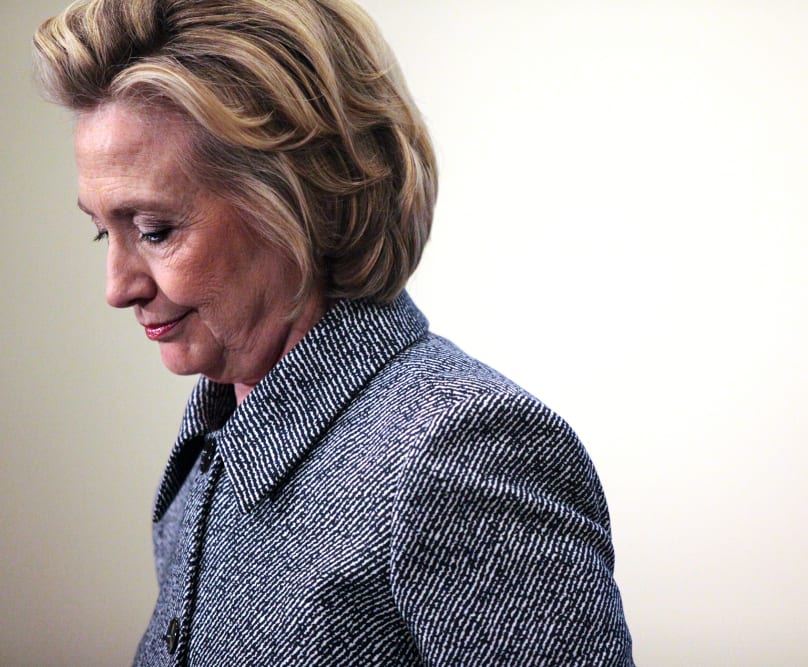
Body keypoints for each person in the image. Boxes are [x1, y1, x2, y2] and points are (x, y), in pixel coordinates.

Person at [34, 0, 634, 664]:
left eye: (154, 230)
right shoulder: (212, 447)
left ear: (298, 198)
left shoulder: (458, 451)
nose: (117, 287)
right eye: (103, 231)